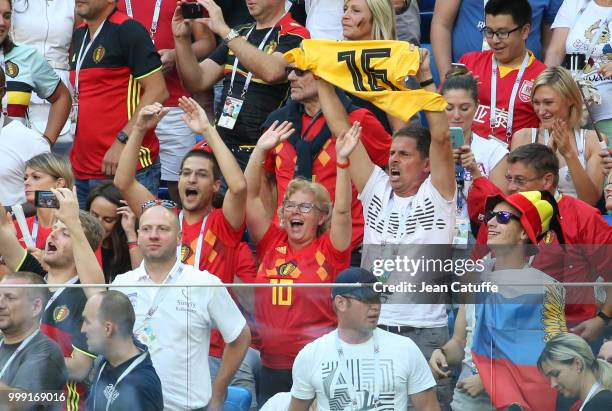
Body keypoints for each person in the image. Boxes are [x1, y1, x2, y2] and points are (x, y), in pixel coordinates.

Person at [338, 49, 456, 409]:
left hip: (425, 334)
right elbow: (339, 127)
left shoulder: (440, 196)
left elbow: (441, 137)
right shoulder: (376, 189)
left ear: (425, 165)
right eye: (391, 152)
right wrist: (321, 75)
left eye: (404, 154)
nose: (393, 158)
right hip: (375, 328)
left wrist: (425, 78)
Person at [244, 116, 353, 403]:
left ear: (321, 217)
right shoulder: (271, 242)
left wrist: (342, 163)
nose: (295, 211)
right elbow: (249, 196)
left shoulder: (331, 251)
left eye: (306, 207)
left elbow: (343, 212)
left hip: (319, 362)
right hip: (272, 364)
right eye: (290, 205)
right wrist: (260, 151)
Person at [431, 190, 567, 411]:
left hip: (518, 404)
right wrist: (443, 353)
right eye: (490, 216)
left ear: (524, 232)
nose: (491, 223)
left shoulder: (545, 288)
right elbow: (459, 341)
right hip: (468, 402)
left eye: (503, 218)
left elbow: (551, 358)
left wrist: (489, 381)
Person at [110, 202, 251, 411]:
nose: (154, 235)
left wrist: (218, 393)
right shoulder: (121, 284)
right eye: (147, 229)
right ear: (138, 236)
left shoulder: (204, 283)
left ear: (179, 238)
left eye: (163, 229)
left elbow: (240, 337)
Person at [468, 144, 612, 345]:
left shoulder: (584, 217)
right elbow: (475, 275)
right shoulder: (499, 217)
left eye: (520, 180)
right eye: (509, 179)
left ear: (547, 180)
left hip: (568, 339)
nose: (511, 187)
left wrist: (601, 319)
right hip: (507, 335)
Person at [261, 67, 391, 254]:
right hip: (286, 247)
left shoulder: (358, 121)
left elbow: (394, 171)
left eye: (299, 71)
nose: (290, 77)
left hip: (346, 248)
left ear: (324, 77)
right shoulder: (276, 124)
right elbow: (267, 182)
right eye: (290, 70)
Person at [0, 187, 105, 411]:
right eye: (54, 228)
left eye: (65, 232)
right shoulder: (34, 279)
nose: (53, 234)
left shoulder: (86, 297)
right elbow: (2, 229)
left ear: (81, 247)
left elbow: (79, 368)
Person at [173, 0, 309, 169]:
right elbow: (197, 81)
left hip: (263, 151)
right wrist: (182, 39)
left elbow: (273, 71)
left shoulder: (296, 33)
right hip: (222, 146)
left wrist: (224, 30)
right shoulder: (241, 33)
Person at [289, 267, 441, 410]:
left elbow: (429, 407)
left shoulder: (405, 348)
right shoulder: (311, 355)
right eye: (366, 299)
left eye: (377, 298)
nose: (375, 306)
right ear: (340, 303)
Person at [70, 0, 169, 207]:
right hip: (82, 168)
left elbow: (158, 90)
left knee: (130, 238)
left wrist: (122, 141)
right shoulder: (80, 33)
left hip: (125, 166)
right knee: (86, 239)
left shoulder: (128, 30)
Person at [116, 0, 216, 204]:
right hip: (124, 108)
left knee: (181, 187)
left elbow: (207, 42)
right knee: (125, 187)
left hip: (174, 106)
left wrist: (175, 54)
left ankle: (181, 233)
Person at [512, 67, 606, 205]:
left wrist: (569, 154)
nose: (541, 111)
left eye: (548, 102)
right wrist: (546, 155)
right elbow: (517, 193)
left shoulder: (593, 141)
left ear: (570, 100)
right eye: (536, 103)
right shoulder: (522, 137)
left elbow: (590, 200)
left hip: (577, 222)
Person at [459, 0, 547, 145]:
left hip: (516, 161)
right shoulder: (469, 63)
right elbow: (442, 113)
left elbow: (546, 133)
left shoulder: (542, 77)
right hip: (465, 156)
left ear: (525, 31)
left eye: (502, 33)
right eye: (489, 32)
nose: (494, 40)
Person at [441, 65, 508, 244]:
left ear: (477, 106)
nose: (456, 115)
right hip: (432, 234)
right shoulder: (427, 148)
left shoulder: (495, 151)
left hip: (476, 236)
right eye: (448, 108)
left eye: (464, 108)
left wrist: (475, 173)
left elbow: (499, 208)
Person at [431, 0, 562, 81]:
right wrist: (446, 80)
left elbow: (550, 41)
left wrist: (543, 84)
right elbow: (441, 24)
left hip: (522, 79)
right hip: (467, 77)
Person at [0, 0, 72, 147]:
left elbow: (62, 97)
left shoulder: (27, 56)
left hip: (15, 162)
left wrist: (43, 145)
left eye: (7, 16)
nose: (2, 23)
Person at [82, 291, 163, 411]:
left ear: (108, 329)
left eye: (87, 322)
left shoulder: (142, 385)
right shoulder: (105, 361)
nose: (82, 329)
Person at [0, 272, 67, 411]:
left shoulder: (46, 351)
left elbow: (20, 403)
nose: (0, 304)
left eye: (9, 297)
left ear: (35, 307)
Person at [545, 0, 612, 137]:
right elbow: (555, 52)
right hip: (569, 108)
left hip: (607, 113)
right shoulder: (574, 3)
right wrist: (545, 88)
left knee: (604, 157)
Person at [341, 0, 405, 133]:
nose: (345, 16)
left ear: (377, 17)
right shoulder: (334, 58)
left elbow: (400, 131)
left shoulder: (388, 64)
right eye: (345, 9)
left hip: (375, 148)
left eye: (355, 11)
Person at [0, 67, 50, 208]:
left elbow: (50, 199)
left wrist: (7, 214)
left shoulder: (31, 141)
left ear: (2, 92)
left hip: (15, 227)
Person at [14, 153, 73, 251]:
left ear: (59, 183)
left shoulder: (76, 228)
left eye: (36, 177)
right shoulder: (16, 226)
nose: (26, 182)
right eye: (25, 178)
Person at [539, 333, 612, 410]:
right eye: (549, 378)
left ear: (578, 364)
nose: (553, 384)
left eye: (556, 374)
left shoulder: (603, 404)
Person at [86, 182, 141, 282]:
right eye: (94, 215)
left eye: (108, 220)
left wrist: (130, 233)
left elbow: (141, 277)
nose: (98, 224)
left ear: (121, 220)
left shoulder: (132, 244)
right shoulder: (78, 240)